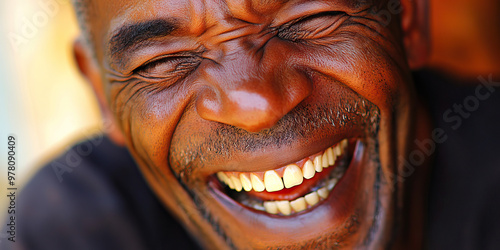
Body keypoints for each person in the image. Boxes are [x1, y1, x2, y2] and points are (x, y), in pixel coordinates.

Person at [2, 0, 442, 249]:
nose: (258, 106)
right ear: (102, 94)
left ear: (406, 18)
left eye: (308, 20)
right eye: (164, 62)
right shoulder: (68, 229)